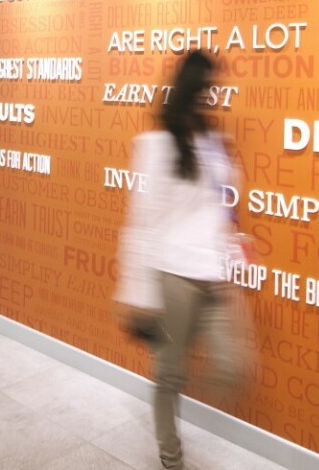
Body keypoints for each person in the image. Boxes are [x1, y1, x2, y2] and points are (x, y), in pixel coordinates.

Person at [115, 49, 245, 470]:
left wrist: (234, 239)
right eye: (209, 86)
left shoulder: (214, 141)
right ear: (194, 87)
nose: (215, 94)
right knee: (169, 375)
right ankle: (171, 457)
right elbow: (141, 222)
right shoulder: (157, 144)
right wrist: (138, 292)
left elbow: (220, 205)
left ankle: (180, 394)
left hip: (213, 273)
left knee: (232, 365)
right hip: (174, 275)